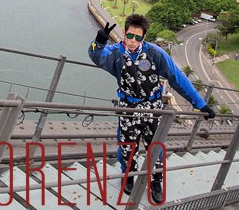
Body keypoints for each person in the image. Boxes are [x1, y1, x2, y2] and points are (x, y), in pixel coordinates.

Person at [88, 14, 215, 204]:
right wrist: (99, 40)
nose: (132, 41)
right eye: (130, 36)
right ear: (124, 32)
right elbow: (96, 56)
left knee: (155, 146)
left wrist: (200, 104)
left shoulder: (154, 53)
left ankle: (156, 180)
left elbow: (177, 78)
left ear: (144, 37)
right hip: (128, 108)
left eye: (138, 37)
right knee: (126, 144)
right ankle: (128, 175)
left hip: (153, 108)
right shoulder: (115, 52)